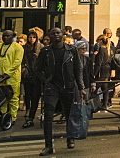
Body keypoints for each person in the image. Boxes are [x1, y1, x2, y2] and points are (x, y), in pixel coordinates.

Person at [35, 27, 85, 155]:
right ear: (50, 36)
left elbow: (78, 70)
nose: (56, 35)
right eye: (53, 33)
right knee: (48, 116)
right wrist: (45, 81)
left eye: (58, 32)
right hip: (52, 87)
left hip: (68, 86)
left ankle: (70, 138)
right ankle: (48, 146)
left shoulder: (71, 50)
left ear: (62, 34)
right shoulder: (45, 51)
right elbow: (37, 69)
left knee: (69, 114)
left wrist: (81, 87)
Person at [0, 30, 23, 123]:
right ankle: (2, 117)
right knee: (2, 98)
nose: (5, 38)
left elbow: (17, 62)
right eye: (4, 36)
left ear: (12, 37)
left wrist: (8, 73)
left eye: (8, 36)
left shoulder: (18, 47)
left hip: (12, 77)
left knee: (13, 98)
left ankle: (12, 118)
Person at [22, 30, 43, 128]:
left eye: (34, 37)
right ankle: (28, 109)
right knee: (27, 93)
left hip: (37, 75)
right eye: (30, 37)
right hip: (28, 73)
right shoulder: (24, 48)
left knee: (35, 96)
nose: (32, 39)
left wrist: (38, 57)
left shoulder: (41, 47)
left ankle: (31, 116)